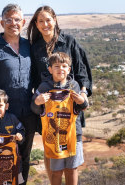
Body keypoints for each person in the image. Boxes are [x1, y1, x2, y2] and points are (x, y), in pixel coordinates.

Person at [27, 5, 92, 183]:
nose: (45, 24)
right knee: (51, 154)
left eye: (48, 19)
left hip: (69, 108)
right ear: (36, 24)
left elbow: (82, 70)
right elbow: (32, 78)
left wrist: (84, 92)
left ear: (55, 20)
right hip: (48, 111)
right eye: (40, 21)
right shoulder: (35, 47)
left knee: (71, 161)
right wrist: (36, 100)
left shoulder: (69, 41)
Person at [0, 4, 36, 184]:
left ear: (23, 22)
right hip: (2, 117)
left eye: (17, 19)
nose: (13, 23)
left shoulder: (29, 47)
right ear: (2, 23)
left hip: (27, 115)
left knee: (23, 159)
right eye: (8, 20)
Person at [31, 52, 88, 185]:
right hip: (53, 136)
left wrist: (81, 100)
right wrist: (38, 102)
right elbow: (35, 109)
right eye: (56, 66)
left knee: (72, 169)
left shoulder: (74, 86)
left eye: (64, 66)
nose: (60, 69)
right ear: (50, 69)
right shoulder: (44, 87)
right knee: (56, 171)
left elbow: (83, 107)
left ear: (69, 69)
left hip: (73, 135)